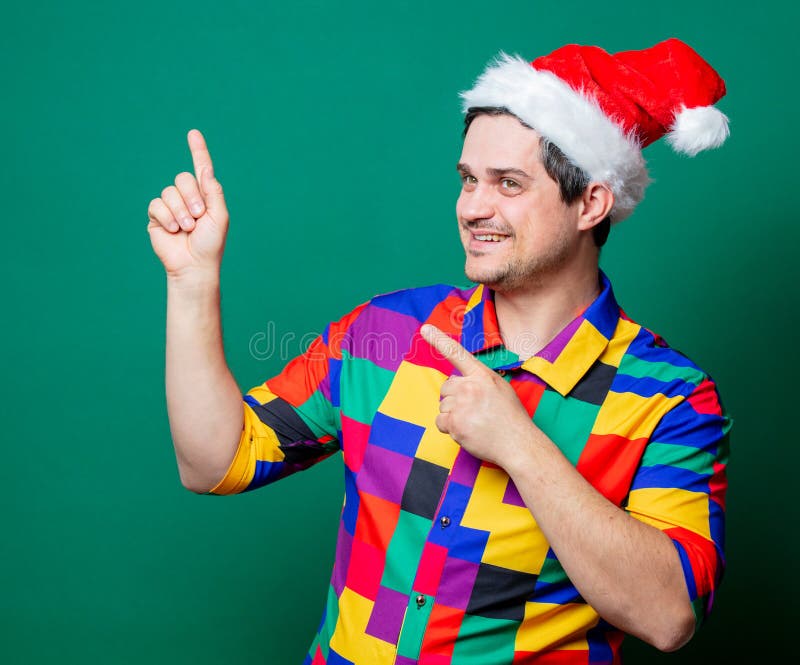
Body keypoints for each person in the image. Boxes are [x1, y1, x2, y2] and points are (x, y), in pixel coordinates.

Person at [147, 38, 732, 665]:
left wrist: (519, 444)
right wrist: (192, 283)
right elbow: (213, 461)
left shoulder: (670, 398)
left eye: (508, 183)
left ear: (590, 202)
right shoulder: (386, 333)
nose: (473, 207)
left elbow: (669, 615)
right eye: (468, 179)